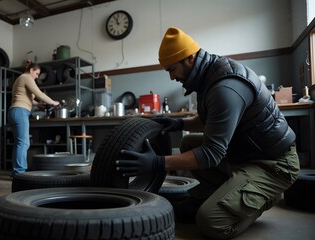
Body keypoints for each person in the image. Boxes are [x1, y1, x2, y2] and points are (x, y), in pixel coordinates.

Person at [116, 27, 300, 239]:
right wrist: (179, 124)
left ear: (190, 59)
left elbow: (212, 154)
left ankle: (263, 198)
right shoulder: (209, 74)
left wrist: (157, 162)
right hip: (244, 154)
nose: (171, 76)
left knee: (210, 222)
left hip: (272, 164)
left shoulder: (225, 87)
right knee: (188, 144)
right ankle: (231, 192)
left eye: (172, 69)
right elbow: (213, 121)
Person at [8, 63, 59, 177]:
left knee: (19, 143)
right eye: (36, 74)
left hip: (15, 111)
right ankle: (20, 173)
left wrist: (38, 105)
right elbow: (39, 93)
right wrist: (53, 102)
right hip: (20, 111)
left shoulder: (20, 79)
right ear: (31, 70)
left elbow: (25, 97)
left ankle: (16, 172)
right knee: (24, 143)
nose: (37, 77)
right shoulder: (26, 77)